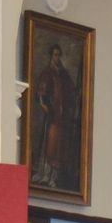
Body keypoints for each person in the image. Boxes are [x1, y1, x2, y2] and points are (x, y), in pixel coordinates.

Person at [33, 42, 75, 188]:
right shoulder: (47, 72)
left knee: (58, 146)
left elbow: (70, 90)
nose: (57, 58)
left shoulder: (63, 73)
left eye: (59, 55)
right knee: (49, 144)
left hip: (61, 116)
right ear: (51, 56)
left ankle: (54, 176)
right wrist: (47, 107)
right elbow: (41, 93)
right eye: (55, 55)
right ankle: (45, 173)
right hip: (52, 114)